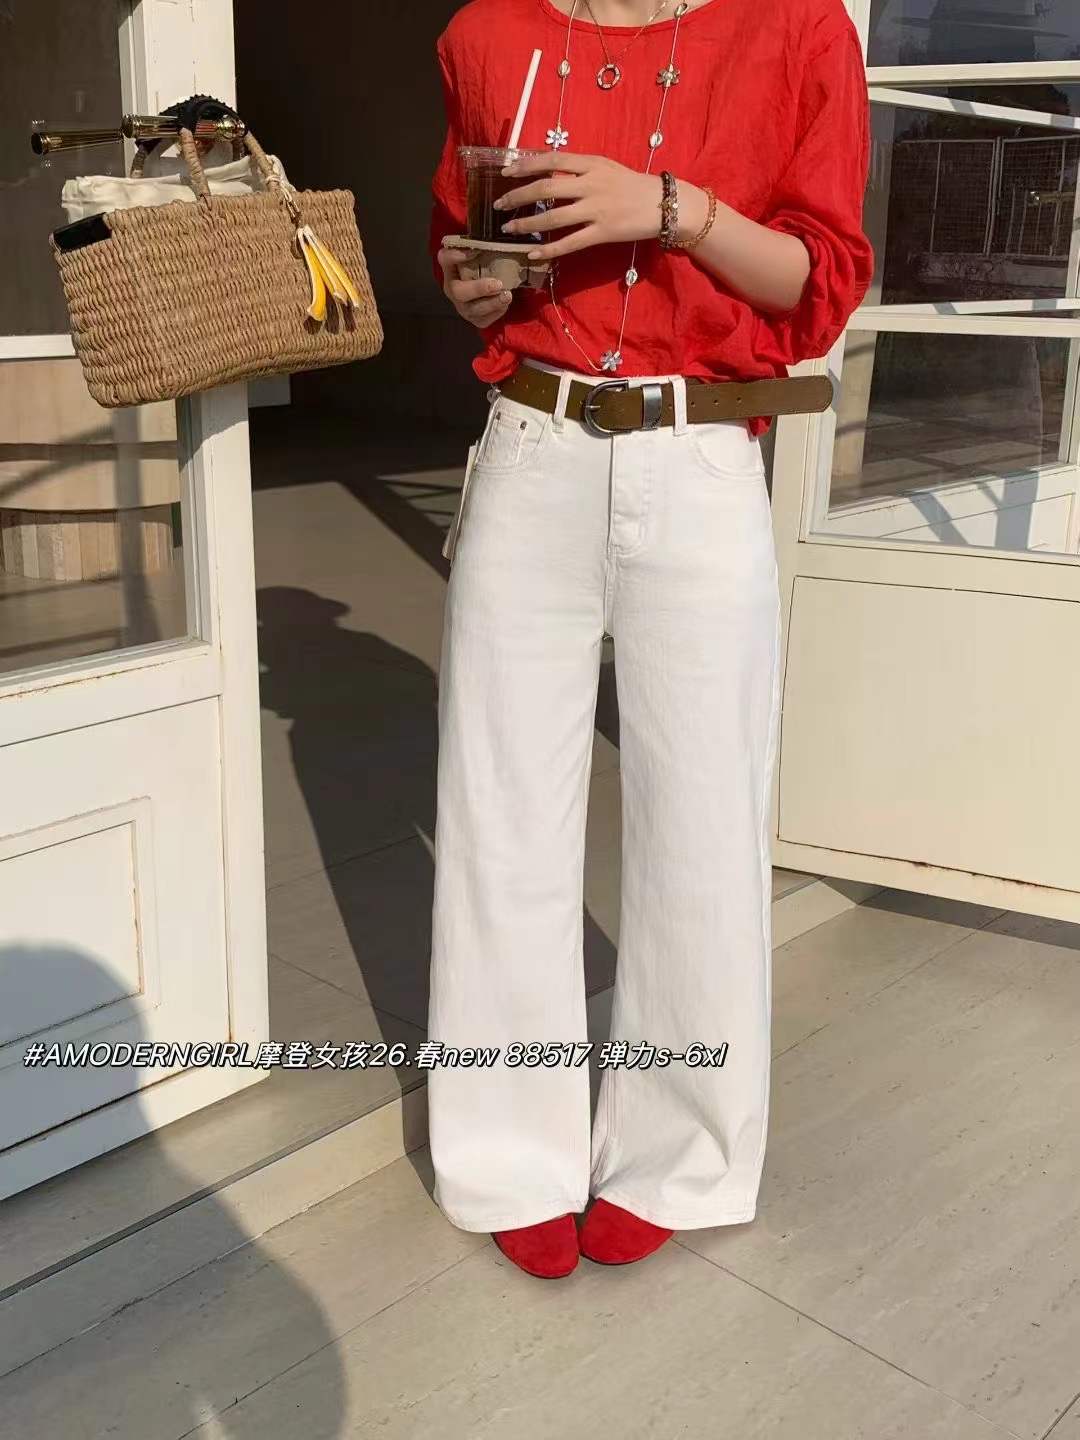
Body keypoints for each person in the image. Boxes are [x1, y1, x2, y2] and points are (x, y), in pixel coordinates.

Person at [426, 0, 874, 1278]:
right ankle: (506, 1148)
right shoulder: (485, 34)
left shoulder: (797, 30)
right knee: (501, 816)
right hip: (532, 449)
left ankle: (680, 1152)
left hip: (699, 456)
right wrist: (470, 285)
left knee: (701, 822)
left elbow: (819, 284)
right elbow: (461, 251)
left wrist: (668, 209)